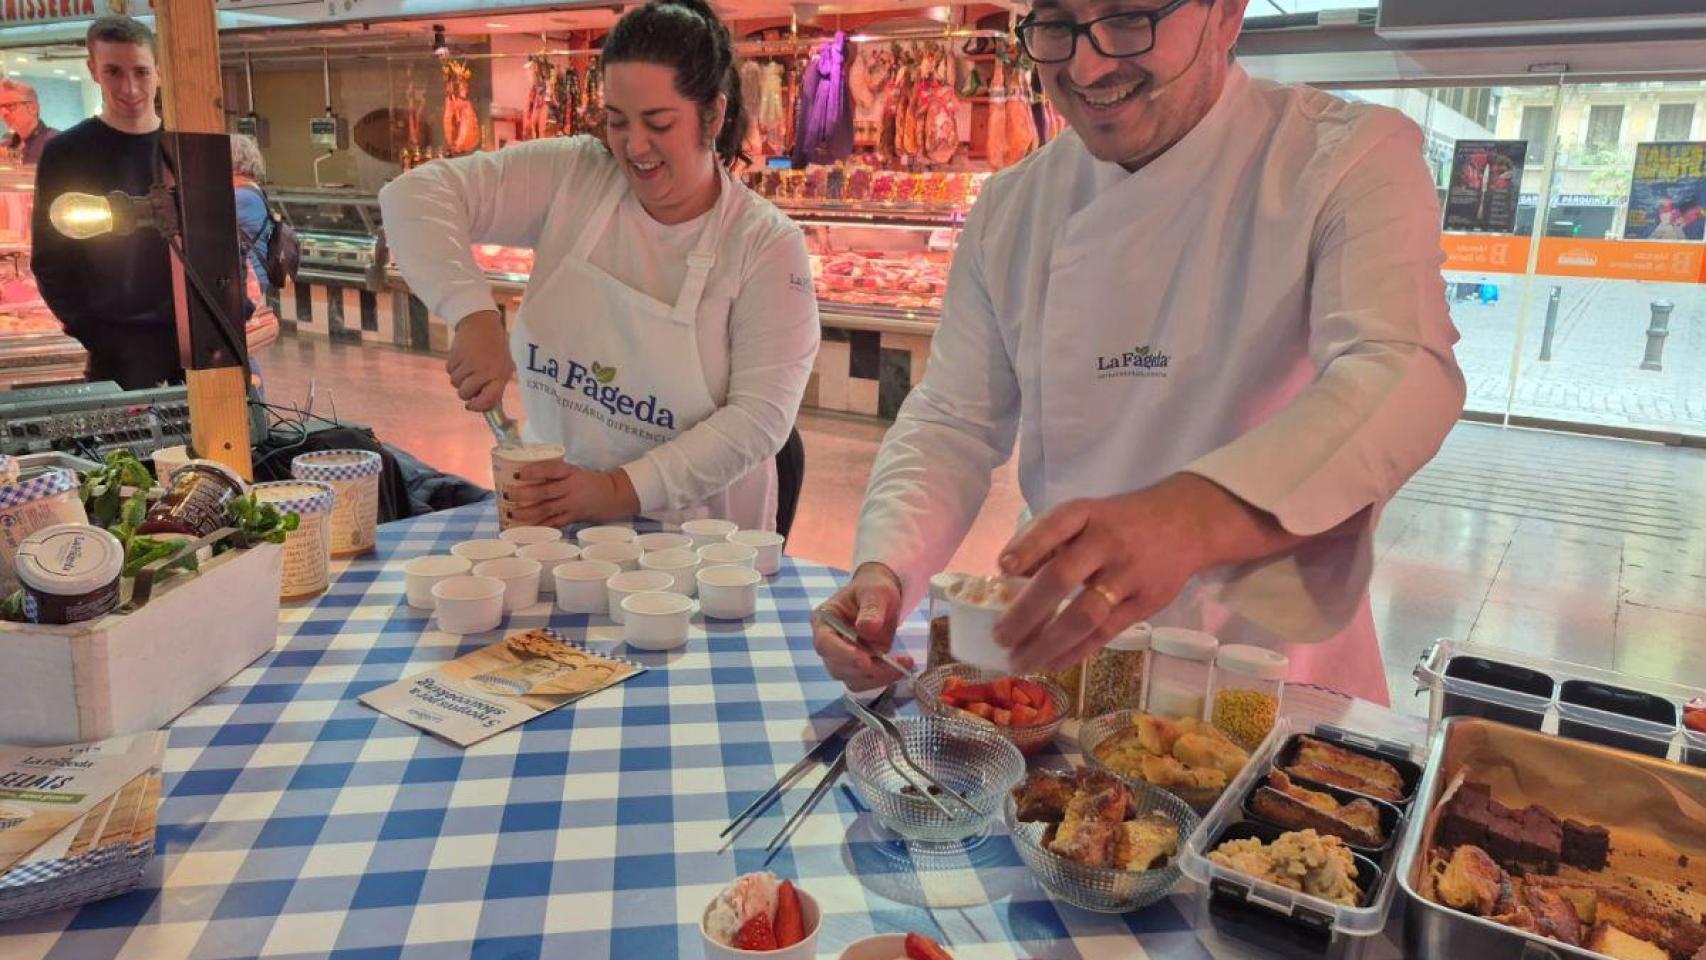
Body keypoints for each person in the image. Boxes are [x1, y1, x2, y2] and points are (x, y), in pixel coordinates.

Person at [811, 0, 1466, 704]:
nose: (1086, 65)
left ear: (1226, 15)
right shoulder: (1014, 205)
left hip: (1264, 671)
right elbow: (952, 421)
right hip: (1069, 658)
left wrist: (1187, 519)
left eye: (1128, 18)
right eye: (1058, 24)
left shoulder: (1345, 155)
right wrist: (885, 568)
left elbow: (1401, 367)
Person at [381, 0, 818, 533]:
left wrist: (615, 491)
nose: (634, 146)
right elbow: (413, 196)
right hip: (563, 540)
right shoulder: (574, 175)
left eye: (658, 123)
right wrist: (471, 312)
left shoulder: (765, 245)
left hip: (700, 556)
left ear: (713, 115)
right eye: (617, 121)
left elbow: (759, 421)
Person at [29, 16, 178, 390]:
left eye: (141, 72)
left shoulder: (187, 145)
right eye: (114, 72)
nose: (130, 87)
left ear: (159, 72)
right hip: (117, 351)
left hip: (198, 341)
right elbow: (50, 260)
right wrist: (95, 334)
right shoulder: (67, 152)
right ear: (93, 70)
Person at [0, 79, 59, 164]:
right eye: (1, 107)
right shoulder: (4, 147)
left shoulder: (57, 144)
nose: (3, 113)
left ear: (33, 108)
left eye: (10, 105)